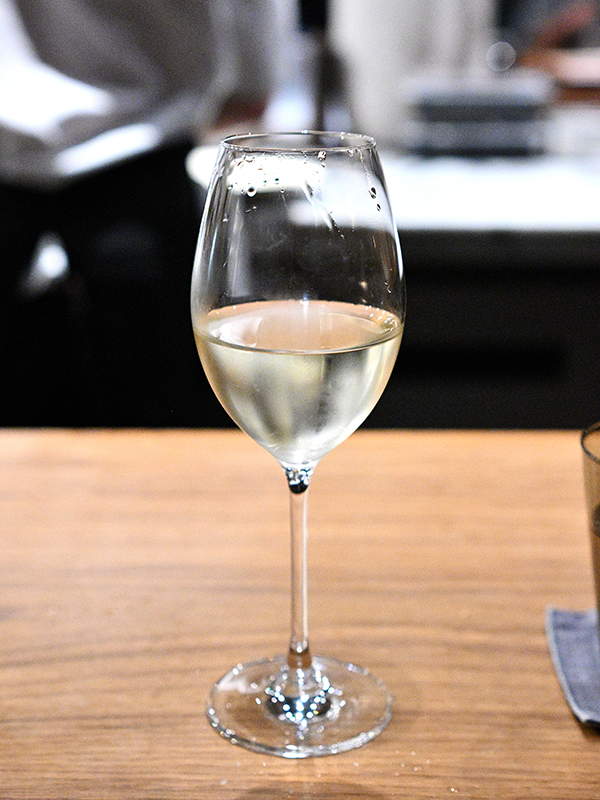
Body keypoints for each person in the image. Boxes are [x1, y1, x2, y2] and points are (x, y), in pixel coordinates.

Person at [0, 0, 295, 426]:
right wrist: (255, 75)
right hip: (139, 142)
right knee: (154, 399)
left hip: (117, 156)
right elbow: (250, 64)